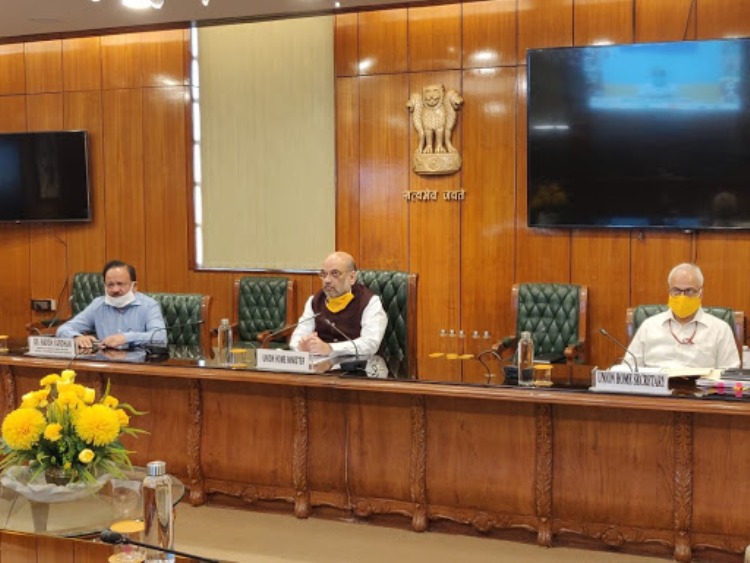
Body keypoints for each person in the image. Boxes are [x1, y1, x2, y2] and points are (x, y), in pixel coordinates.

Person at [626, 263, 740, 369]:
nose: (682, 296)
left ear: (701, 294)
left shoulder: (720, 329)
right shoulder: (649, 326)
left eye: (689, 291)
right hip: (657, 383)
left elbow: (730, 372)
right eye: (676, 290)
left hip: (700, 384)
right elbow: (628, 368)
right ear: (669, 292)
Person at [290, 251, 387, 358]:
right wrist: (302, 347)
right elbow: (297, 338)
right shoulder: (314, 301)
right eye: (323, 274)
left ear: (351, 277)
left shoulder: (369, 302)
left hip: (359, 365)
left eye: (335, 274)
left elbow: (371, 344)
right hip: (321, 364)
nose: (327, 280)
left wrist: (330, 348)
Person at [56, 260, 166, 350]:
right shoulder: (98, 305)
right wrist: (76, 337)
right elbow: (63, 329)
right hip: (106, 363)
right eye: (110, 285)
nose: (115, 290)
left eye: (120, 284)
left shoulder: (149, 305)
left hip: (139, 364)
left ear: (134, 286)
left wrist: (126, 338)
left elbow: (160, 337)